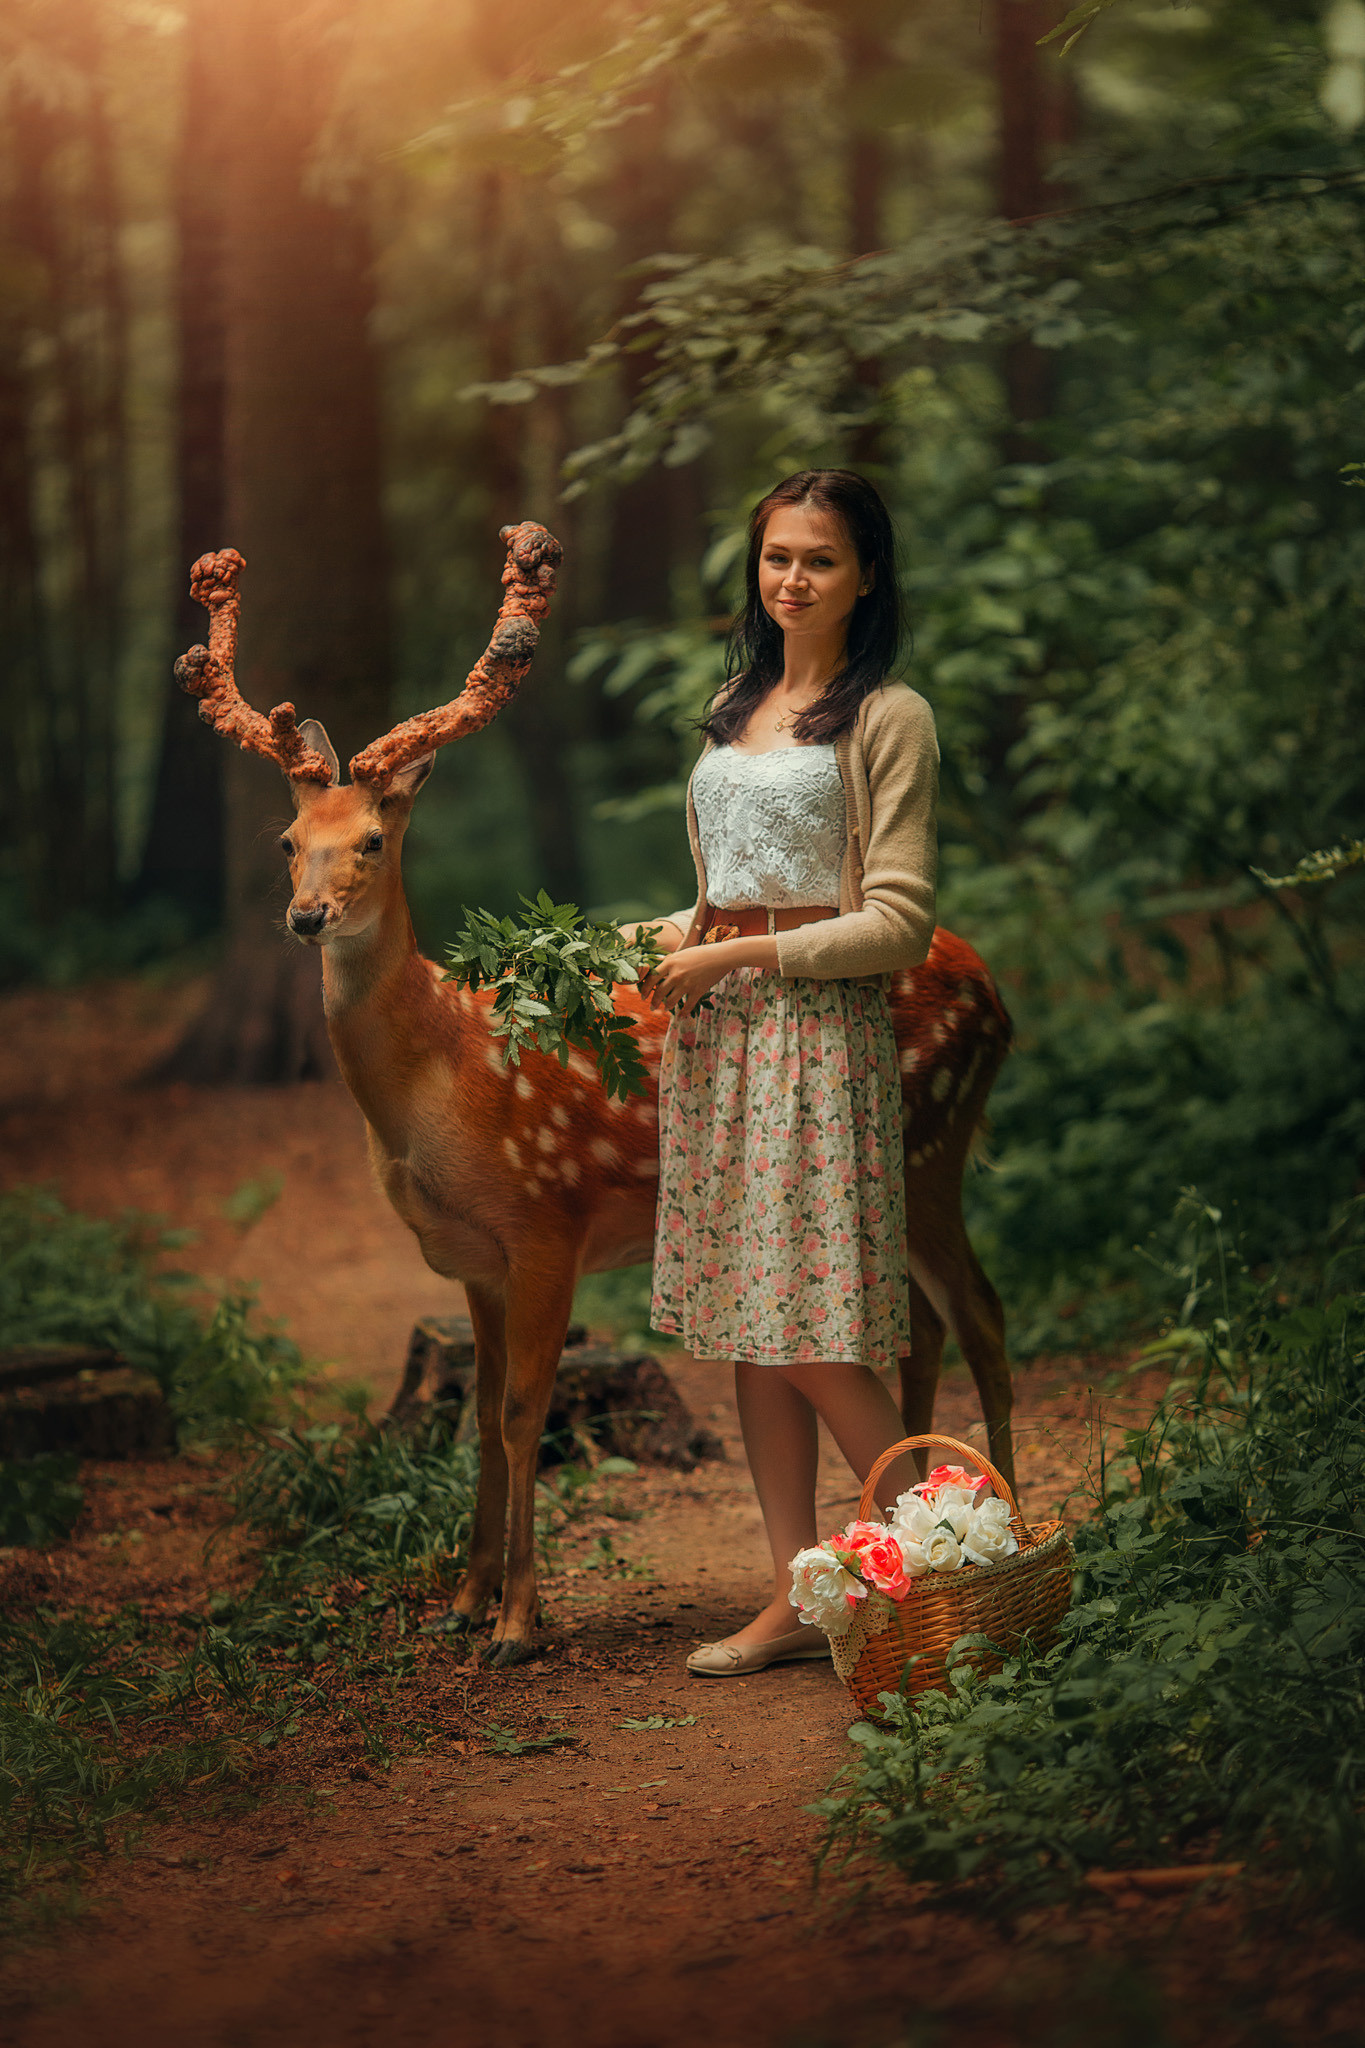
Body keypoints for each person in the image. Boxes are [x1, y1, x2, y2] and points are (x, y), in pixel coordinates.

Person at [637, 468, 939, 1678]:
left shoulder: (890, 716)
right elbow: (730, 886)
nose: (793, 578)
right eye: (775, 557)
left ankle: (933, 1562)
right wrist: (670, 934)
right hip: (726, 1042)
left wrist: (747, 955)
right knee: (756, 1330)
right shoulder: (734, 703)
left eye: (819, 557)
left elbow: (900, 920)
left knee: (815, 1327)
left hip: (818, 1040)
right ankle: (798, 1592)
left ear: (865, 573)